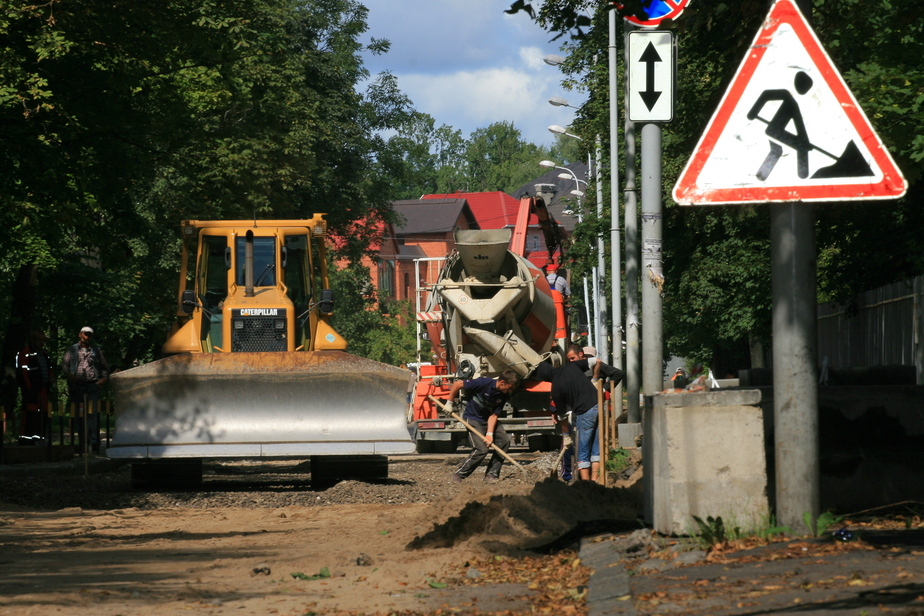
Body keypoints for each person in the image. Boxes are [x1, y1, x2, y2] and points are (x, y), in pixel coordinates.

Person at [532, 355, 602, 481]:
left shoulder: (556, 388)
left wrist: (566, 436)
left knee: (582, 450)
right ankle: (596, 480)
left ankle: (586, 485)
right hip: (599, 406)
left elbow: (563, 416)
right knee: (596, 448)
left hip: (585, 412)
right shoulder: (571, 366)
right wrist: (595, 379)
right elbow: (597, 361)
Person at [447, 369, 521, 484]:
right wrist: (449, 403)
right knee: (481, 449)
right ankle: (459, 474)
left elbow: (494, 415)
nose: (510, 391)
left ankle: (491, 475)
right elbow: (458, 384)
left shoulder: (503, 395)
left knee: (504, 441)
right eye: (509, 387)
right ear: (502, 382)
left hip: (488, 419)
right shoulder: (483, 383)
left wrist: (490, 434)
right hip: (473, 418)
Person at [61, 326, 110, 452]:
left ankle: (94, 442)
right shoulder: (71, 350)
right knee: (78, 415)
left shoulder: (96, 350)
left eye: (89, 335)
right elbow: (64, 366)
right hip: (76, 385)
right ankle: (82, 441)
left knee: (92, 414)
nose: (87, 337)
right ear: (80, 335)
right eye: (85, 334)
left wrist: (102, 380)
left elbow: (105, 367)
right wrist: (70, 377)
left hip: (92, 384)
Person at [15, 330, 54, 442]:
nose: (41, 343)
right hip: (31, 389)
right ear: (32, 340)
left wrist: (51, 378)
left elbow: (49, 368)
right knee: (30, 413)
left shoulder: (44, 354)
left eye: (43, 340)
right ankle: (26, 438)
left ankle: (39, 437)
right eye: (39, 340)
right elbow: (22, 372)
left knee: (44, 413)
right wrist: (28, 387)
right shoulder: (25, 353)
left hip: (44, 388)